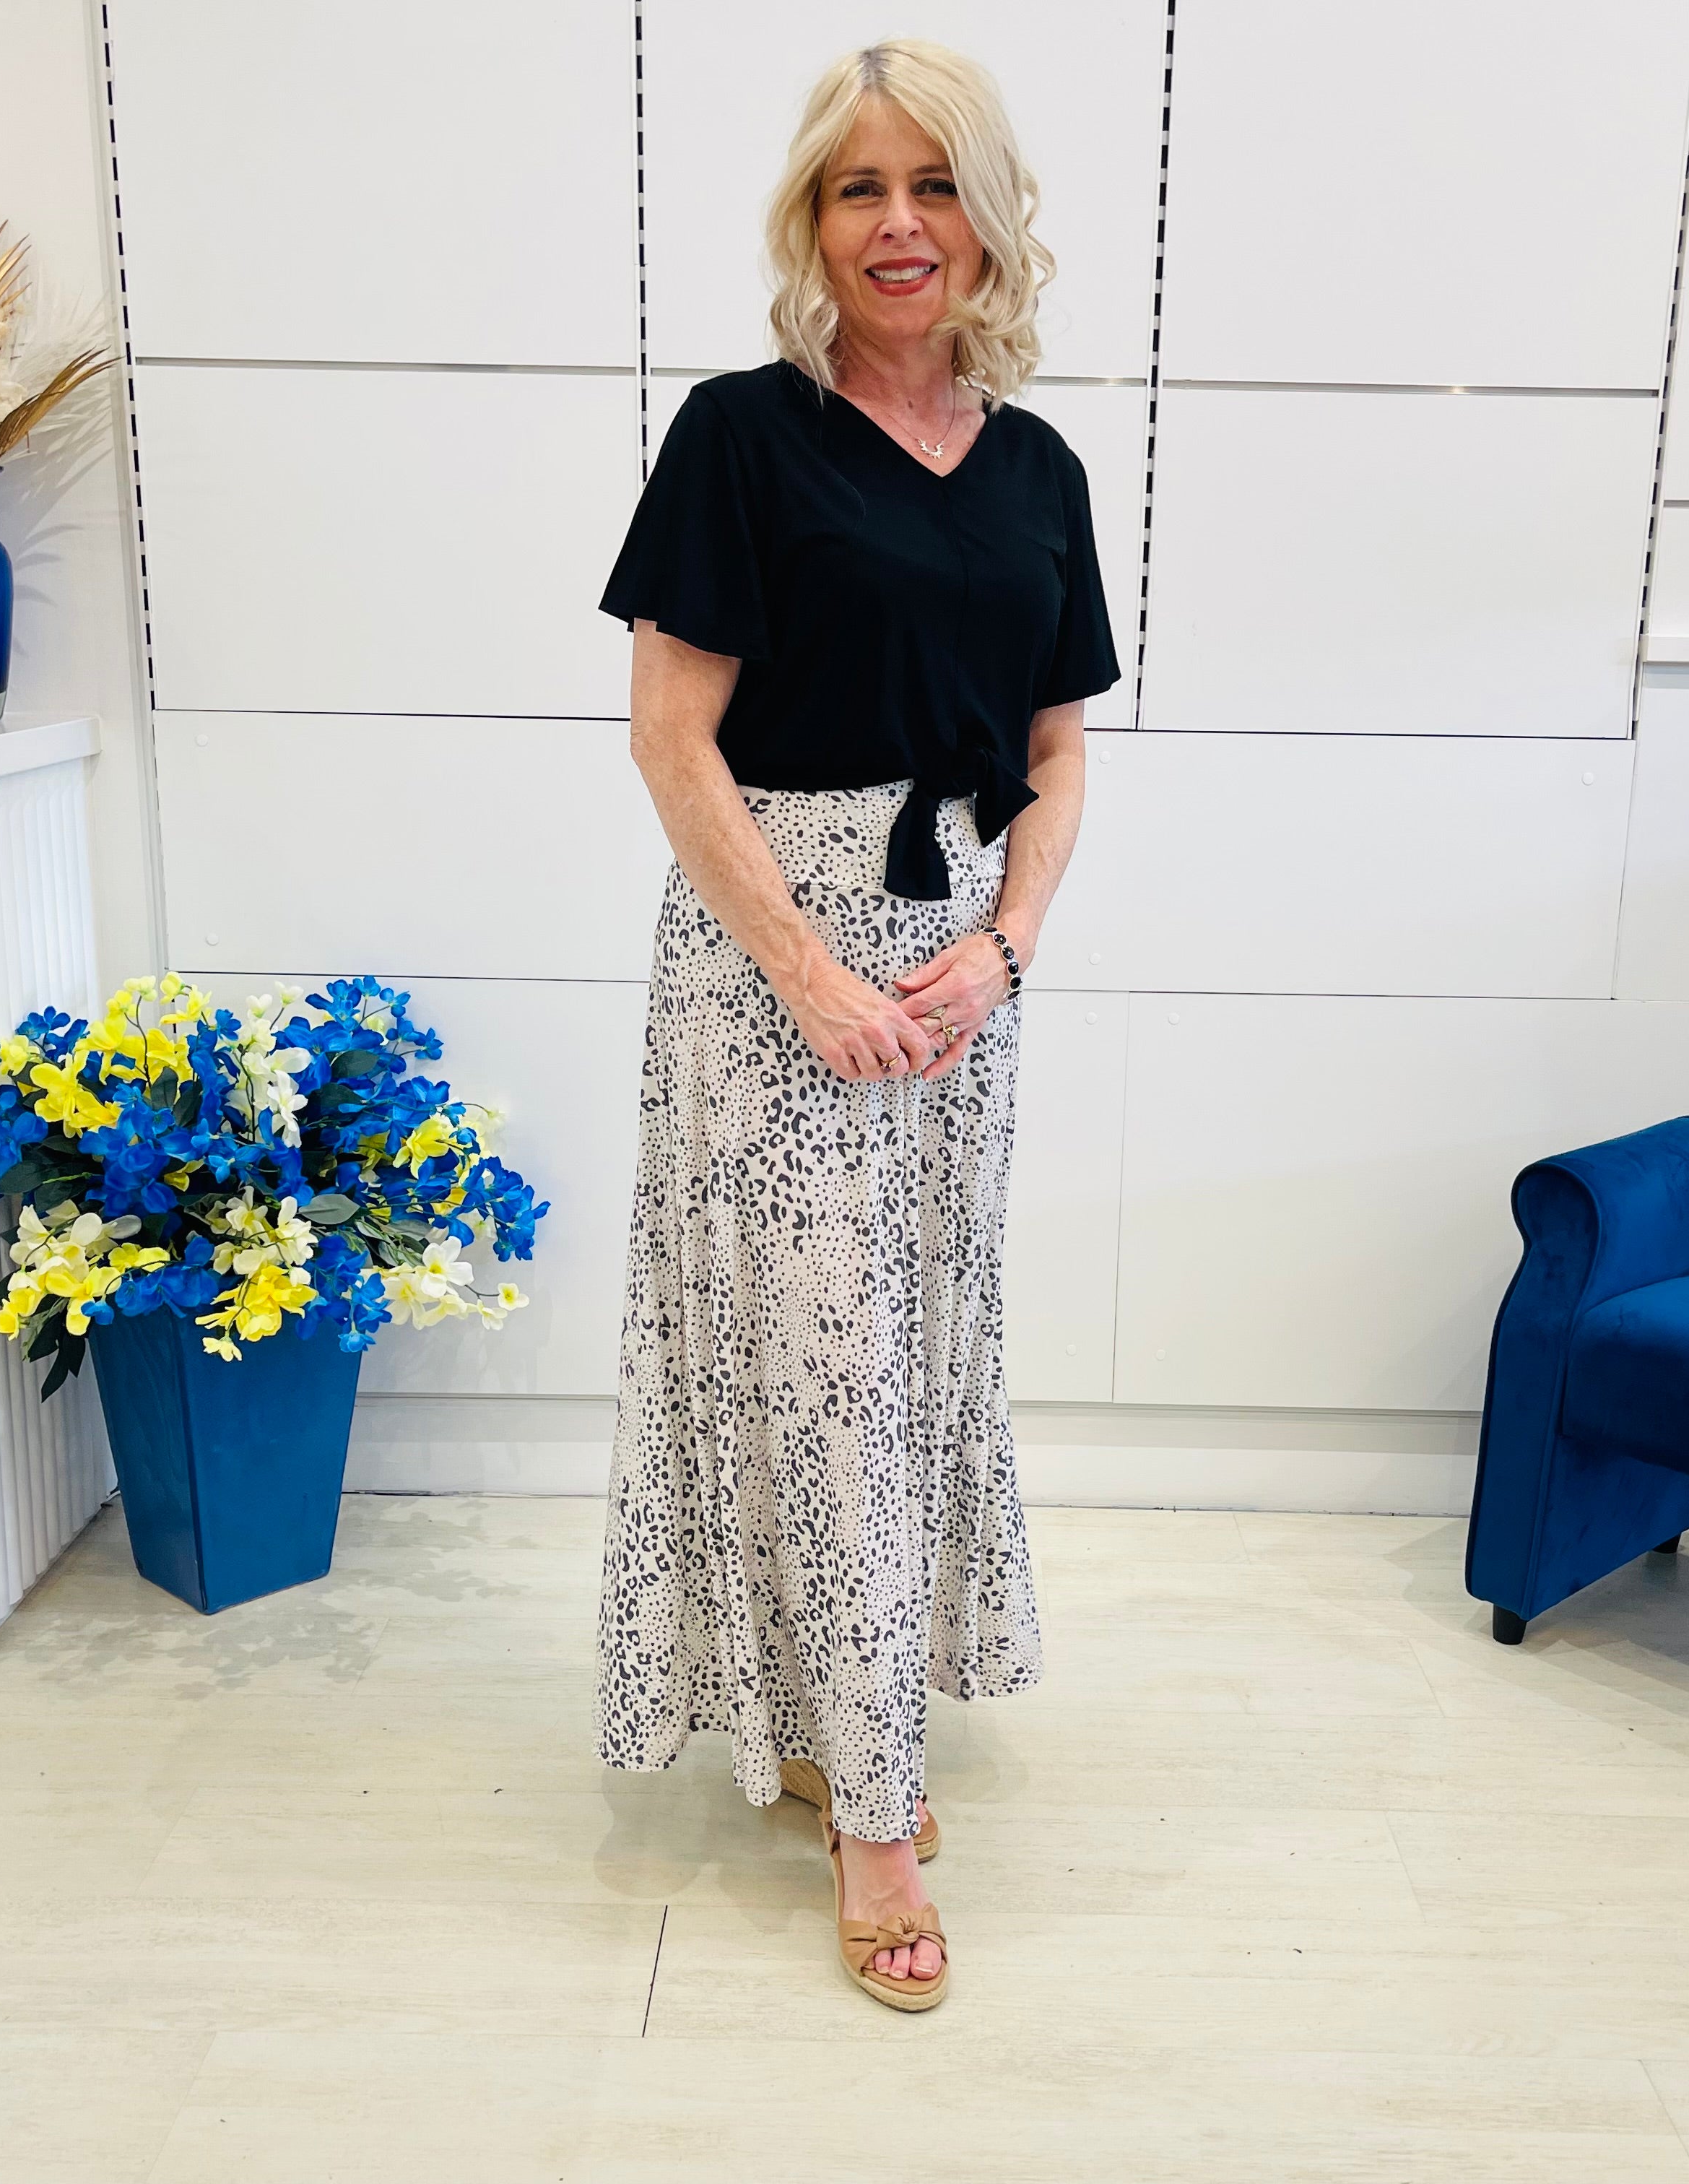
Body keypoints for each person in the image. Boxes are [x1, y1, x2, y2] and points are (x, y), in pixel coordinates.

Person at [594, 38, 1117, 2013]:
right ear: (811, 222)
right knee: (812, 1367)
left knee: (910, 1358)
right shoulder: (743, 437)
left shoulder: (1042, 471)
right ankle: (875, 1830)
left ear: (991, 218)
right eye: (857, 187)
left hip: (959, 977)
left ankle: (844, 1717)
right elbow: (674, 740)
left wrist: (1008, 950)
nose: (899, 225)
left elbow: (1057, 757)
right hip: (770, 969)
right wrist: (810, 975)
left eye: (935, 183)